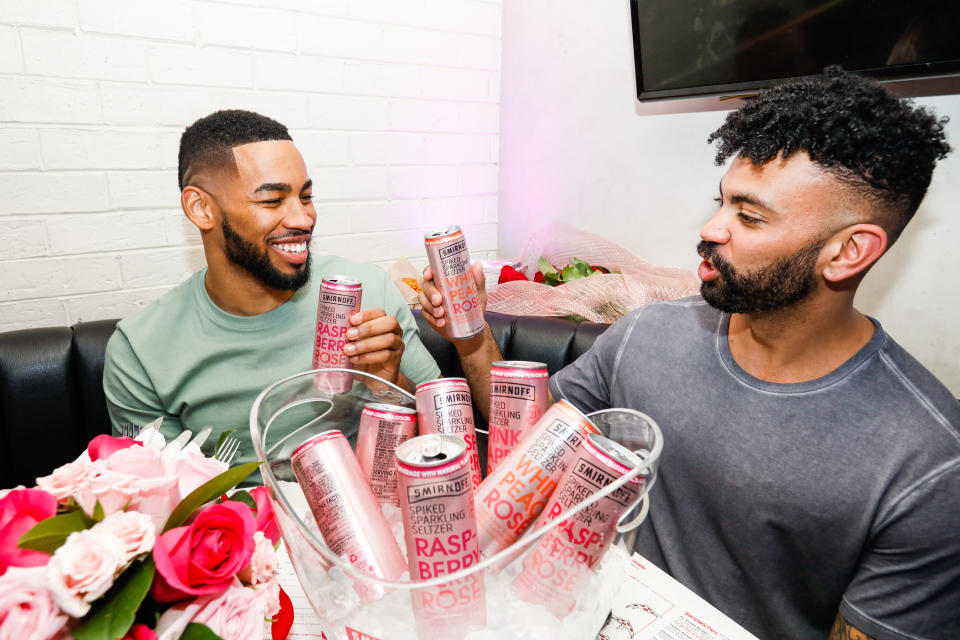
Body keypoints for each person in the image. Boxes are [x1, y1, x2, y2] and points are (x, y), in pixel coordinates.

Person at [419, 68, 959, 639]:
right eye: (721, 203)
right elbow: (527, 448)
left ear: (849, 251)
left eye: (749, 217)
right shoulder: (645, 335)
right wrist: (472, 334)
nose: (711, 228)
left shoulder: (928, 465)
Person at [103, 109, 440, 468]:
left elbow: (444, 439)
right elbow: (161, 495)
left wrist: (387, 383)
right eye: (271, 200)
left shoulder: (369, 291)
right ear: (200, 208)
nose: (303, 219)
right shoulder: (139, 351)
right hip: (242, 519)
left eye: (305, 197)